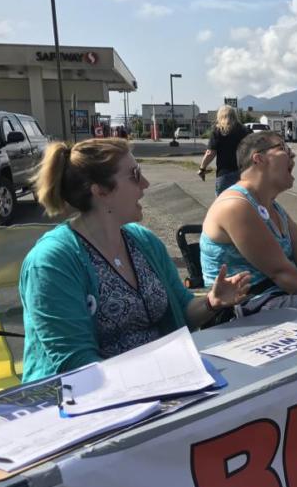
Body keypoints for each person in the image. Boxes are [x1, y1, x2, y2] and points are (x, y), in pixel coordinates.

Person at [20, 138, 251, 382]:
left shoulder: (143, 241)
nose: (145, 183)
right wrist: (153, 381)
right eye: (134, 175)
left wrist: (211, 303)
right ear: (100, 191)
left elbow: (181, 311)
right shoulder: (52, 262)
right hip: (84, 403)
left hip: (157, 384)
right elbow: (75, 363)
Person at [200, 131, 297, 311]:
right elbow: (281, 273)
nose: (293, 154)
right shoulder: (235, 205)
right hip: (243, 307)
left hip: (277, 299)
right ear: (258, 159)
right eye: (283, 148)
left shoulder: (273, 208)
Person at [198, 105, 251, 196]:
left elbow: (210, 153)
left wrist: (202, 168)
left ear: (220, 116)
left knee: (223, 205)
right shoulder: (245, 130)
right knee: (242, 203)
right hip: (244, 174)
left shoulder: (218, 131)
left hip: (225, 174)